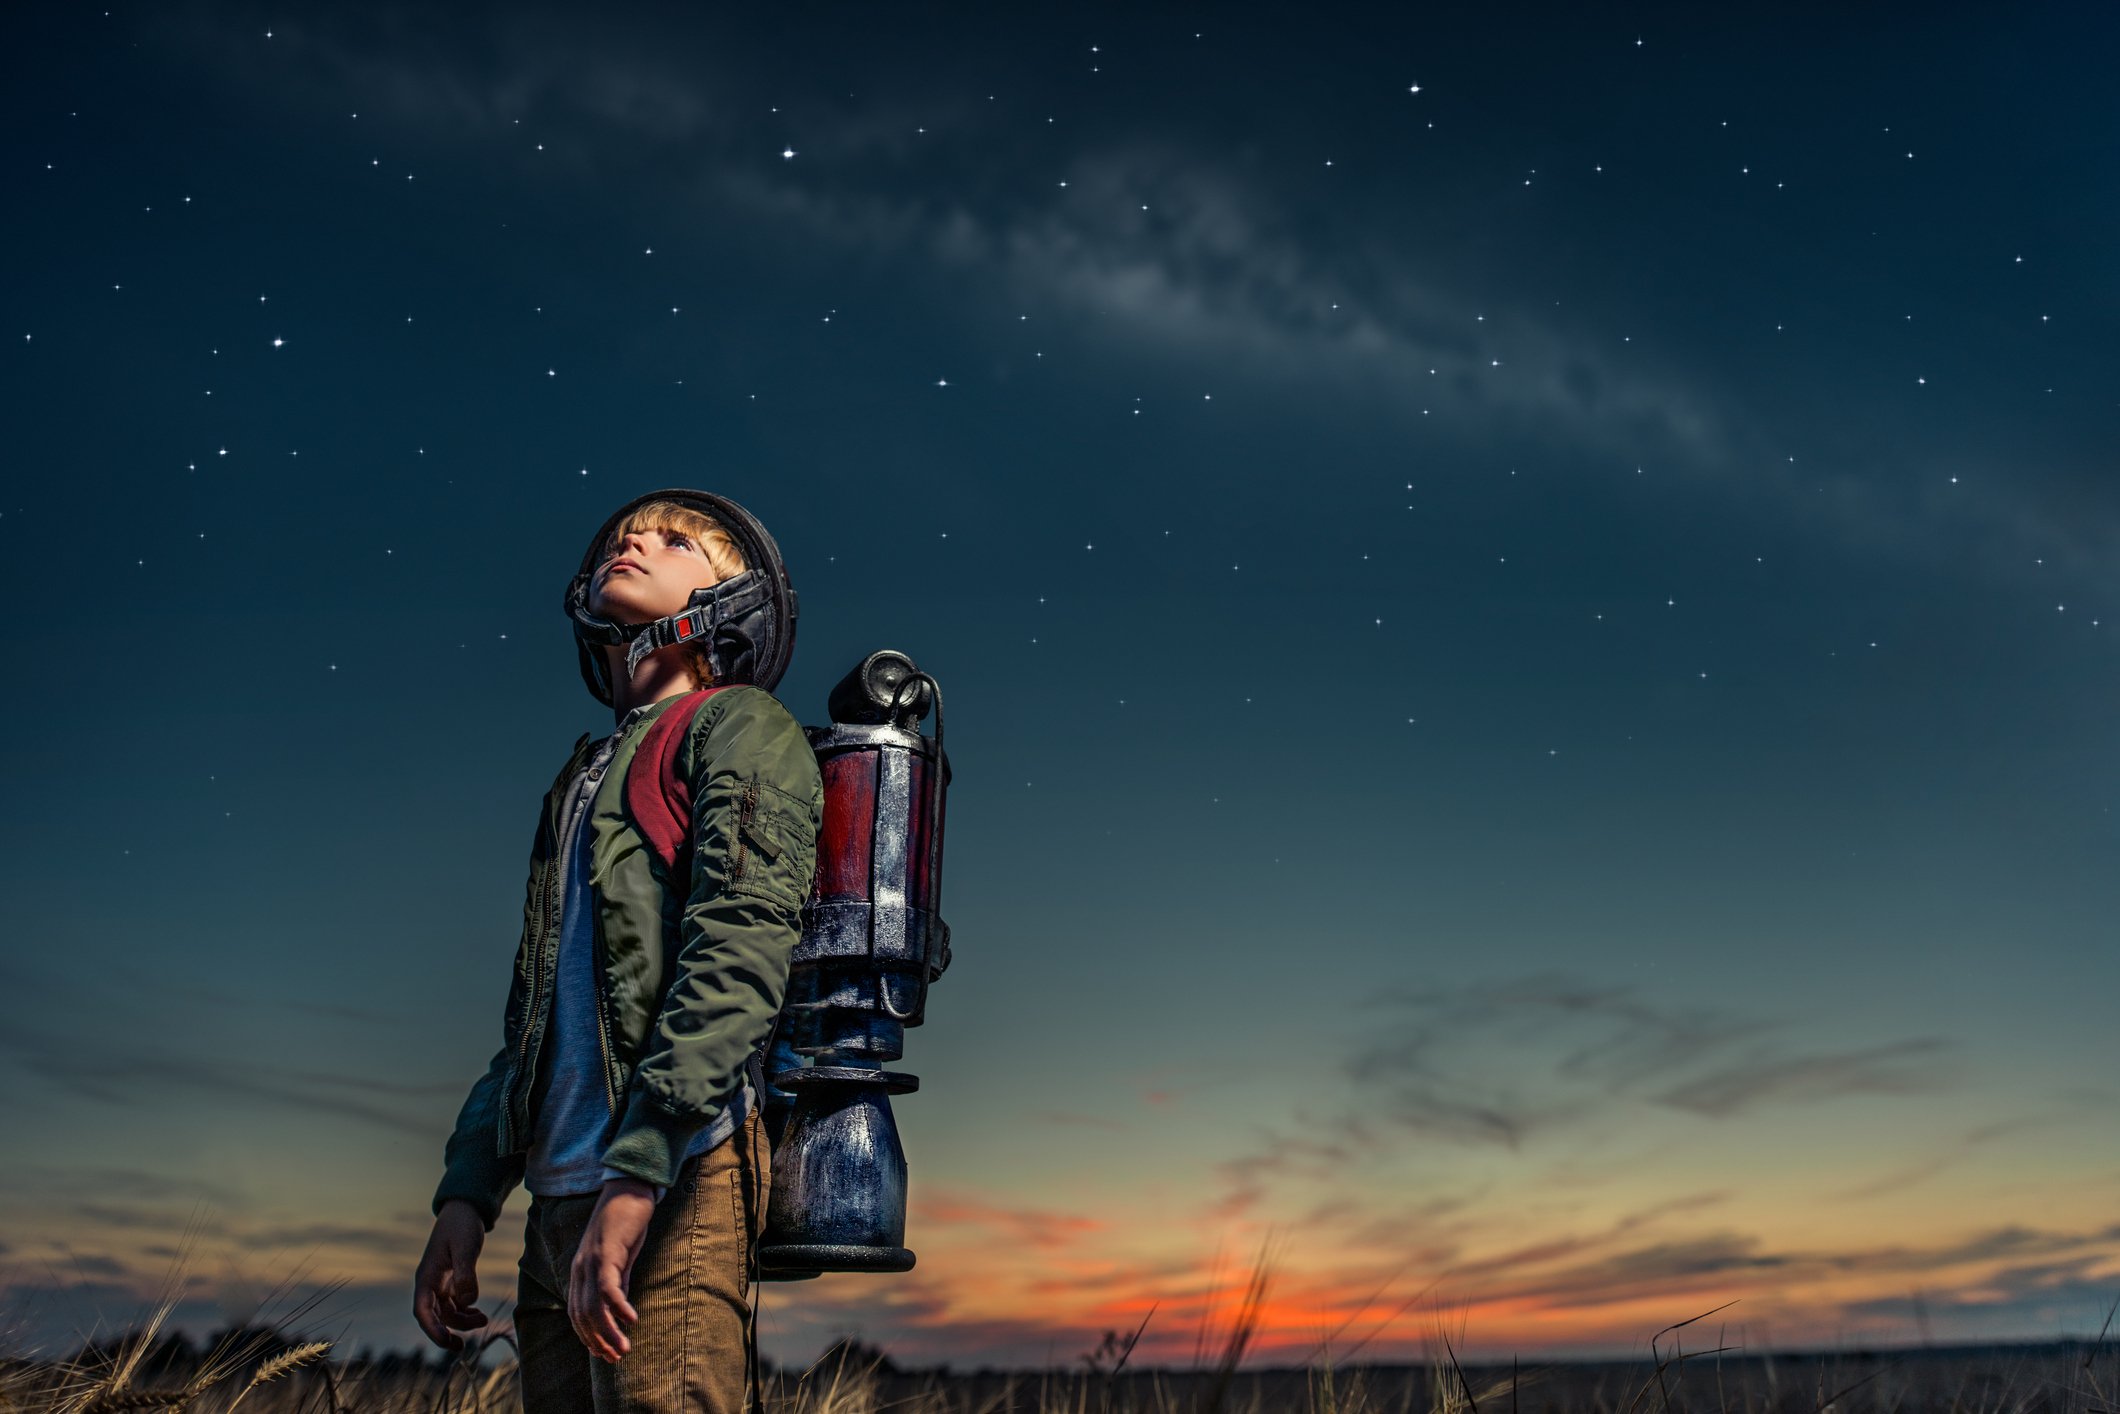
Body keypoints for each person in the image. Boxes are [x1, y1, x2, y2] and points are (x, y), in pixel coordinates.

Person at [412, 491, 820, 1414]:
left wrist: (638, 1178)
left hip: (676, 1177)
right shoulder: (581, 775)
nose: (636, 539)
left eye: (678, 542)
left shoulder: (740, 724)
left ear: (730, 607)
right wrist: (466, 1197)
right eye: (626, 537)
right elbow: (530, 1023)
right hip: (557, 1198)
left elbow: (738, 952)